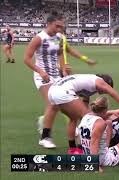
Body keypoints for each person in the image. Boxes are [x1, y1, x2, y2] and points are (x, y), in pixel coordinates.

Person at [47, 74, 119, 154]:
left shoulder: (89, 81)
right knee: (89, 120)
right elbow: (115, 94)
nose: (104, 92)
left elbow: (85, 103)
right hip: (62, 92)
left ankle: (73, 149)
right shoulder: (99, 82)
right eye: (105, 90)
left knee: (73, 118)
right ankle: (81, 148)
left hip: (52, 91)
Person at [24, 11, 66, 149]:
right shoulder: (39, 38)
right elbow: (26, 59)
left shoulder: (58, 37)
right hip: (42, 76)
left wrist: (63, 69)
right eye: (57, 26)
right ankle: (45, 137)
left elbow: (60, 53)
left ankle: (44, 120)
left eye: (61, 26)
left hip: (56, 75)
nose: (59, 29)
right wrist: (40, 71)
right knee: (53, 103)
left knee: (63, 102)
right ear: (48, 24)